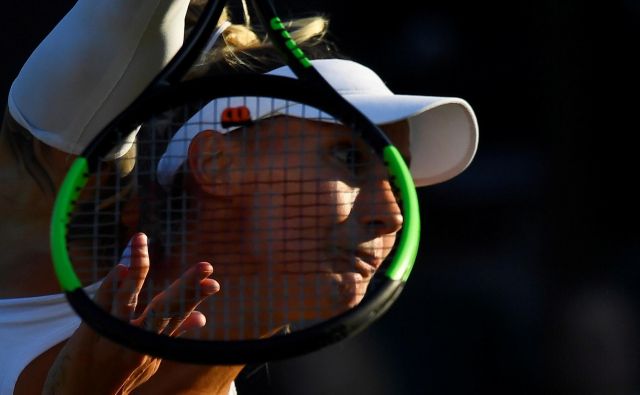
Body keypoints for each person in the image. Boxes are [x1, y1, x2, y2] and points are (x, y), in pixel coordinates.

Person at [0, 0, 478, 394]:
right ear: (217, 161)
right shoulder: (36, 244)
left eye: (397, 182)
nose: (392, 216)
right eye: (349, 159)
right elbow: (128, 15)